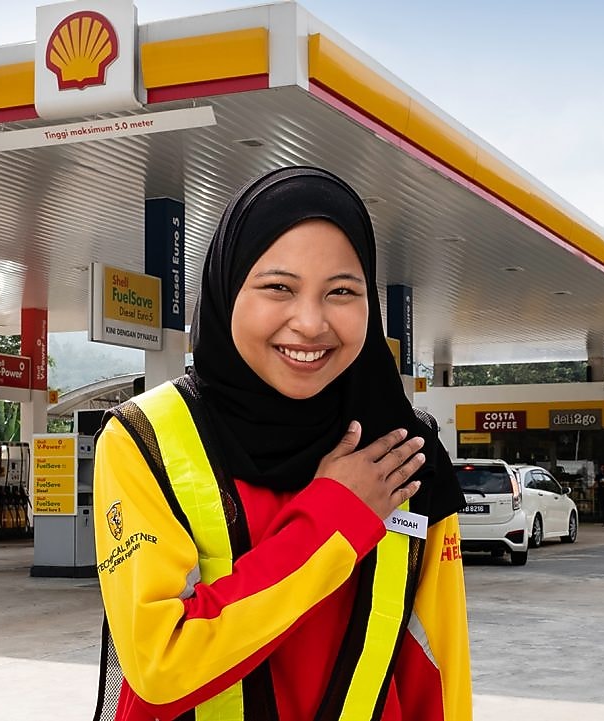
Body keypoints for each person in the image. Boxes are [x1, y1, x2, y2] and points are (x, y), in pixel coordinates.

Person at [92, 166, 471, 721]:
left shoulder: (404, 451)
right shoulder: (145, 439)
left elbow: (436, 671)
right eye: (278, 288)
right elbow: (159, 666)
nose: (311, 322)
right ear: (227, 290)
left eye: (342, 291)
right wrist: (335, 518)